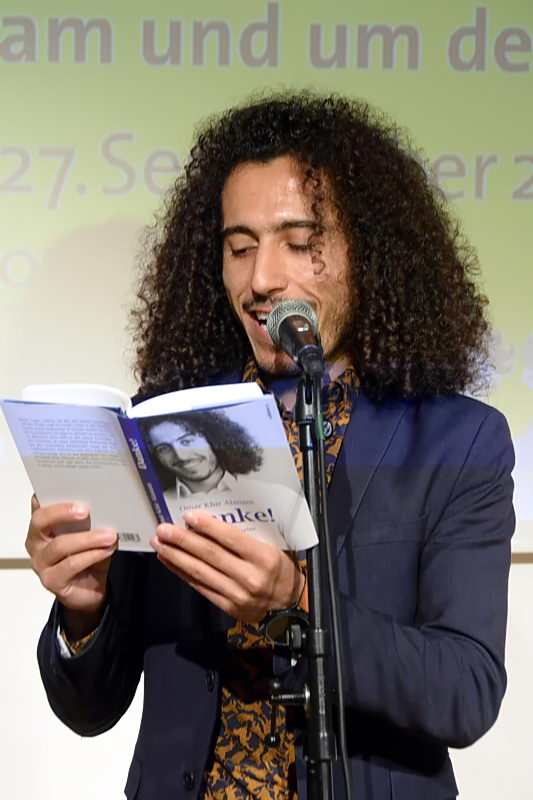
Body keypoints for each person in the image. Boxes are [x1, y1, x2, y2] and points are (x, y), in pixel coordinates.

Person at [26, 91, 514, 800]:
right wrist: (83, 610)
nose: (261, 280)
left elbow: (464, 692)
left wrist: (297, 604)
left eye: (300, 242)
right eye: (240, 248)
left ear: (368, 251)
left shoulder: (457, 441)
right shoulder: (169, 428)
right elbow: (89, 708)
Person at [138, 410, 263, 496]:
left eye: (187, 441)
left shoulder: (266, 494)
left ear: (212, 438)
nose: (181, 456)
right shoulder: (156, 507)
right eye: (164, 449)